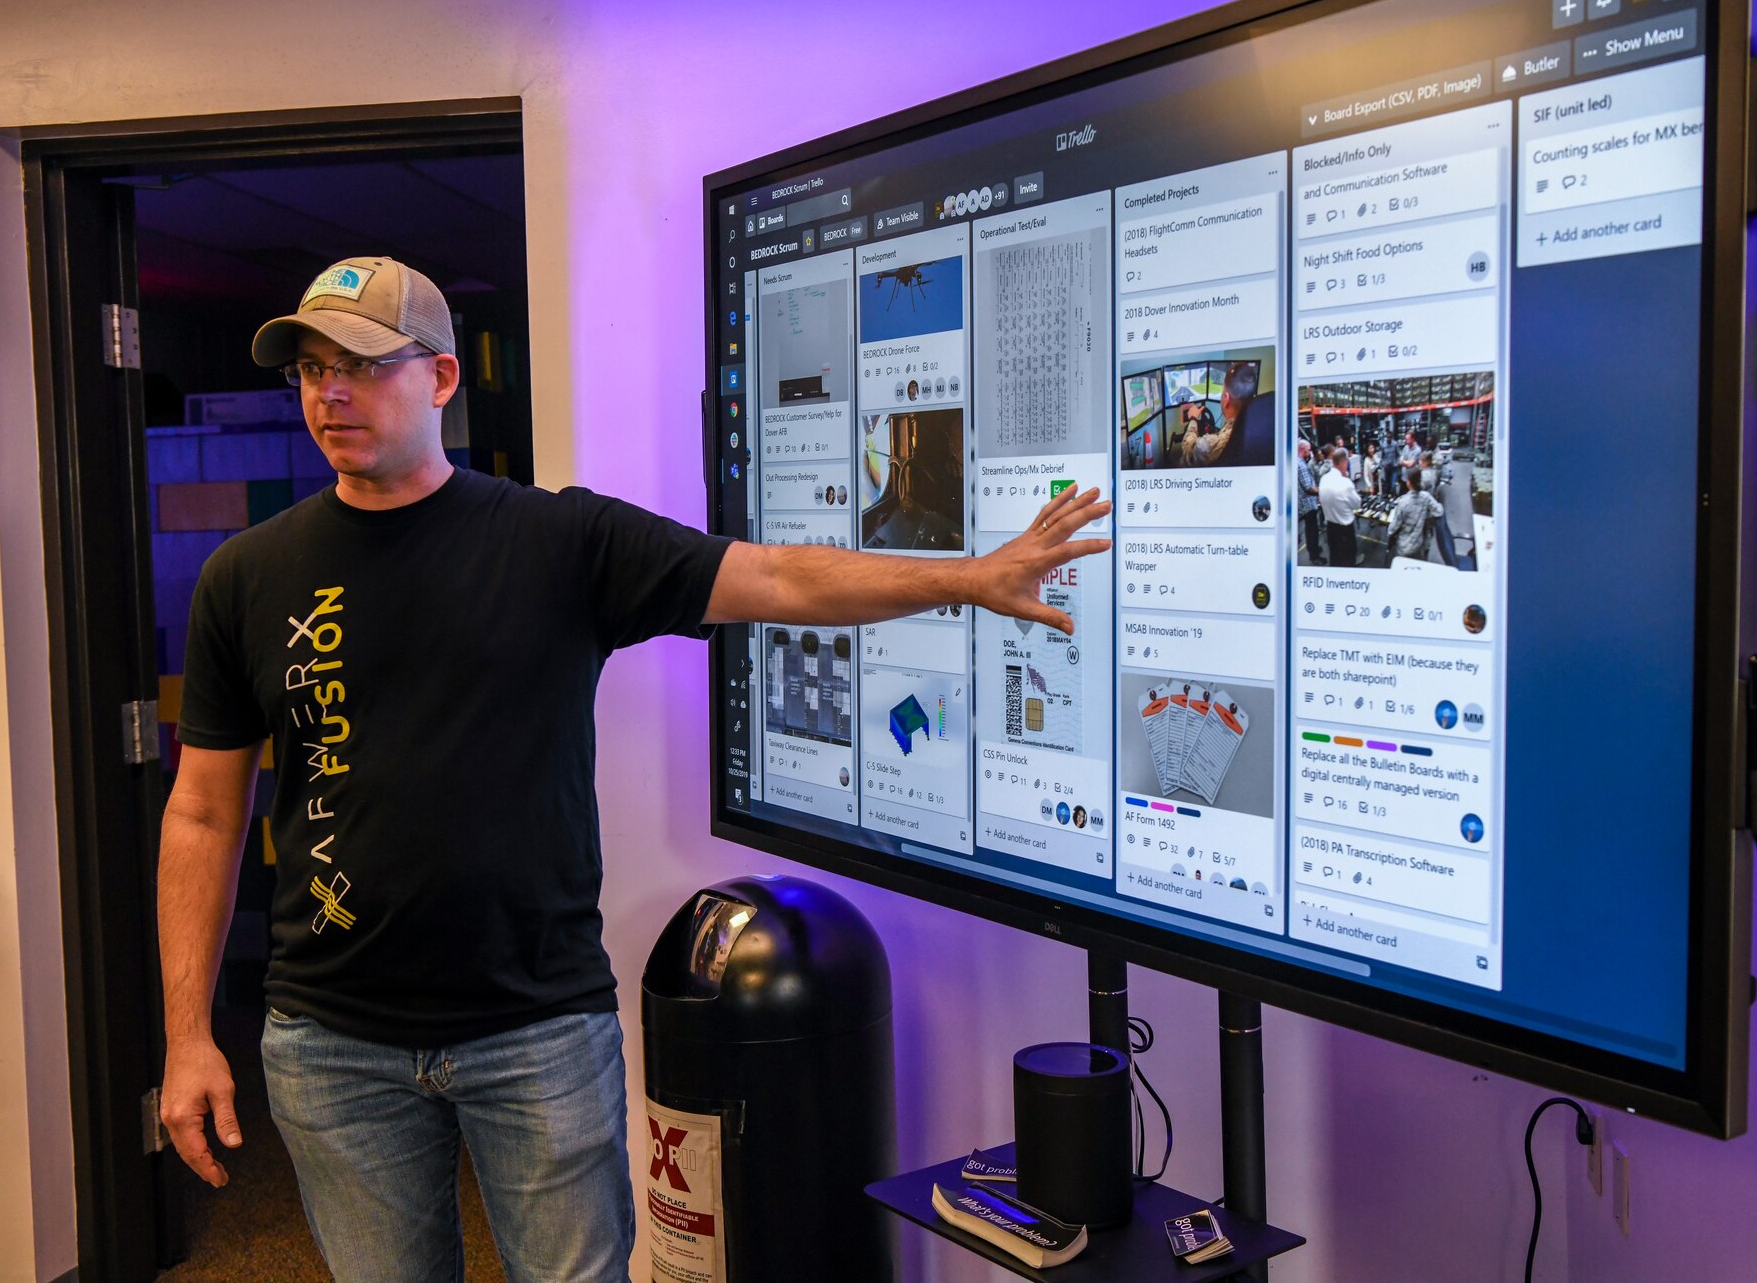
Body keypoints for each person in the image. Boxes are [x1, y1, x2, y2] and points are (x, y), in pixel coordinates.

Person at [157, 257, 1113, 1282]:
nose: (327, 392)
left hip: (533, 1030)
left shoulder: (556, 541)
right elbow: (204, 816)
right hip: (331, 1044)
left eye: (357, 364)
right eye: (308, 367)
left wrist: (971, 577)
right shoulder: (247, 577)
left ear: (440, 379)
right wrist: (187, 1035)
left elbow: (777, 575)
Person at [1385, 469, 1444, 564]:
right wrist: (1426, 515)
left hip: (1404, 545)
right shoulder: (1426, 496)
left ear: (1409, 483)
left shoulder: (1403, 502)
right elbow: (1439, 511)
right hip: (1419, 542)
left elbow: (1394, 526)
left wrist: (1389, 532)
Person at [1318, 447, 1361, 567]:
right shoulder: (1345, 483)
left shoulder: (1323, 479)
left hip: (1331, 529)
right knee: (1348, 562)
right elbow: (1357, 504)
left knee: (1335, 560)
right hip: (1345, 531)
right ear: (1343, 462)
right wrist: (1347, 479)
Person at [1296, 439, 1324, 565]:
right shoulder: (1300, 465)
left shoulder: (1300, 462)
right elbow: (1308, 488)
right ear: (1303, 449)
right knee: (1312, 530)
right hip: (1307, 505)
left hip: (1307, 503)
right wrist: (1323, 492)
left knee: (1312, 529)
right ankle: (1314, 556)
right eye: (1308, 450)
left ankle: (1315, 549)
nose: (1310, 452)